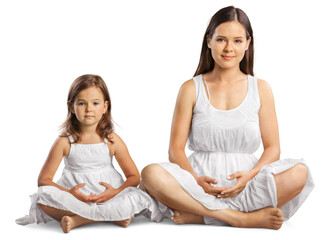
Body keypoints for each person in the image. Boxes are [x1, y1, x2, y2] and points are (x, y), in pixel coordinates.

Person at [141, 6, 314, 230]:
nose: (229, 48)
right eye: (221, 39)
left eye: (237, 41)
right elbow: (175, 149)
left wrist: (250, 176)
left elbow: (273, 149)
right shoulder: (190, 88)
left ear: (248, 43)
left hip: (246, 185)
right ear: (209, 41)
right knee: (149, 174)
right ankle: (238, 217)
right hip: (197, 185)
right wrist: (195, 180)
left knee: (300, 173)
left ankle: (203, 215)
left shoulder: (261, 88)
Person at [16, 74, 162, 233]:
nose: (89, 109)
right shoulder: (65, 141)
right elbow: (44, 180)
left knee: (137, 196)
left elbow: (134, 176)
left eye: (95, 103)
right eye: (81, 103)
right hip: (76, 198)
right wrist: (70, 194)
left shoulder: (111, 139)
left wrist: (114, 193)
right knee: (42, 197)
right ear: (71, 107)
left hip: (110, 197)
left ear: (105, 107)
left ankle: (79, 220)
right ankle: (113, 216)